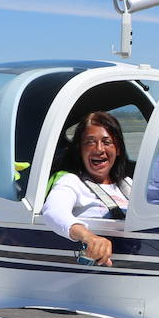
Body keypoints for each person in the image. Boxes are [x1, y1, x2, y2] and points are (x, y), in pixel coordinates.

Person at [43, 111, 131, 265]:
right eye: (90, 142)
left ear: (118, 149)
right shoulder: (71, 182)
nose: (99, 149)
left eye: (107, 142)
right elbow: (53, 212)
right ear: (79, 150)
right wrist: (89, 237)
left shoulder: (128, 184)